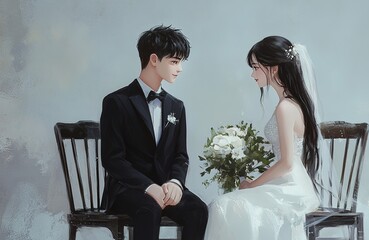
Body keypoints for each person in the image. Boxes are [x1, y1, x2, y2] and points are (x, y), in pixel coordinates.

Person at [204, 36, 322, 240]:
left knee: (223, 206)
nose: (252, 74)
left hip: (290, 187)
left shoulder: (285, 108)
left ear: (273, 68)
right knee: (229, 205)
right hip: (290, 182)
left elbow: (287, 163)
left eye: (256, 67)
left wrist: (253, 184)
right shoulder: (290, 103)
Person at [100, 25, 208, 240]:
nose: (180, 68)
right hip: (127, 189)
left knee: (198, 209)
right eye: (174, 62)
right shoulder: (117, 102)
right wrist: (148, 186)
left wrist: (175, 183)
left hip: (166, 188)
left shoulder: (177, 106)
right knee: (149, 208)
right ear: (154, 59)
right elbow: (113, 159)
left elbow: (180, 155)